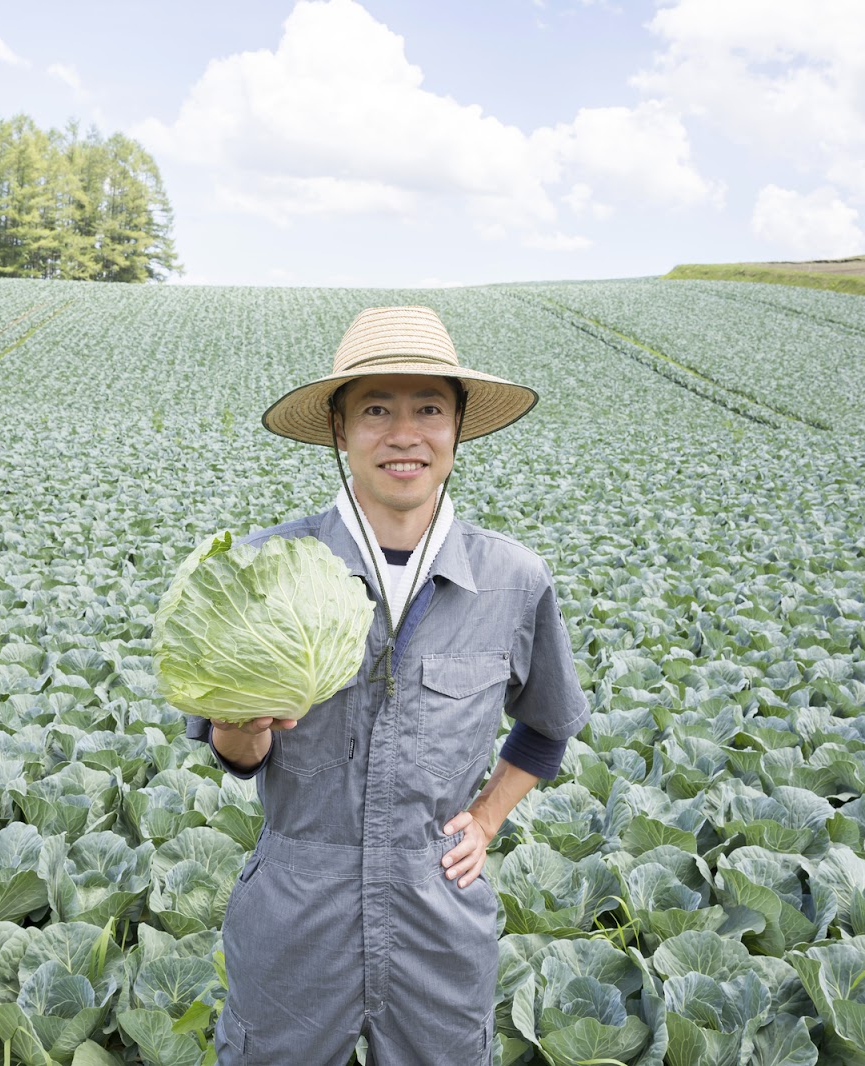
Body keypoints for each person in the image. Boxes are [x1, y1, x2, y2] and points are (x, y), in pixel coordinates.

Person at [183, 306, 589, 1064]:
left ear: (459, 426)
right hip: (297, 910)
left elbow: (548, 725)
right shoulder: (267, 566)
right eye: (376, 410)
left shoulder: (513, 579)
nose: (405, 434)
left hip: (437, 914)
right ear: (339, 430)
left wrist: (488, 818)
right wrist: (244, 726)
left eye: (429, 409)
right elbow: (232, 752)